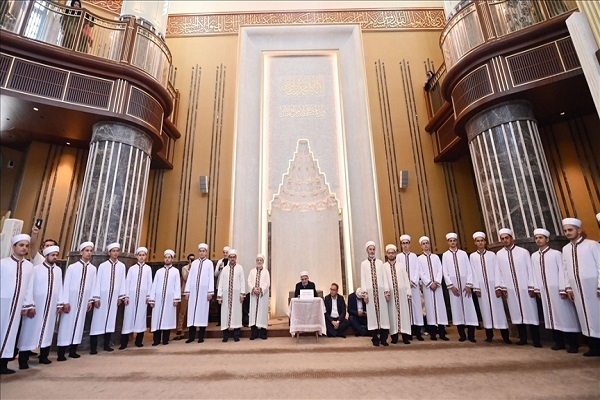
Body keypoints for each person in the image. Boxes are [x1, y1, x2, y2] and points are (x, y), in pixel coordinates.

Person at [531, 228, 580, 353]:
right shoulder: (534, 256)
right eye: (536, 238)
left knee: (565, 316)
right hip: (545, 291)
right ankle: (559, 342)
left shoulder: (556, 254)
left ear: (547, 239)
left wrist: (563, 288)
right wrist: (537, 288)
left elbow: (563, 272)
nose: (538, 240)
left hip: (558, 291)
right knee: (551, 316)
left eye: (541, 238)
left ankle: (573, 343)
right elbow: (534, 273)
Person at [17, 245, 63, 369]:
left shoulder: (58, 270)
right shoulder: (35, 269)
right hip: (36, 306)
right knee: (29, 331)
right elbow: (29, 287)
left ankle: (44, 356)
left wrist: (60, 303)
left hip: (51, 307)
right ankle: (23, 359)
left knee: (47, 330)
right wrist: (29, 304)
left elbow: (60, 288)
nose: (55, 257)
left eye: (56, 255)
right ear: (46, 255)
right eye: (52, 255)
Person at [495, 228, 541, 347]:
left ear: (511, 238)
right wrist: (502, 286)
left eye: (507, 238)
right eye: (502, 239)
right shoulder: (499, 254)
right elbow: (498, 272)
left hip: (525, 287)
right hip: (510, 289)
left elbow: (530, 269)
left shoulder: (523, 252)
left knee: (531, 313)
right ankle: (523, 338)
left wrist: (532, 286)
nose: (505, 240)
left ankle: (536, 340)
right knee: (517, 313)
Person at [561, 218, 600, 357]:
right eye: (565, 231)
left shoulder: (592, 245)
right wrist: (568, 287)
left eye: (570, 230)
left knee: (596, 315)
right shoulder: (565, 249)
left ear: (578, 230)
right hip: (577, 289)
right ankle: (593, 346)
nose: (567, 233)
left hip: (592, 287)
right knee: (584, 316)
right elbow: (565, 270)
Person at [56, 241, 96, 361]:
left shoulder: (93, 269)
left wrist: (90, 300)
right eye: (86, 250)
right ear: (81, 252)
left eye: (90, 251)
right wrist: (65, 301)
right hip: (71, 299)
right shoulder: (72, 267)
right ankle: (61, 352)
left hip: (84, 300)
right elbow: (66, 284)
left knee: (79, 324)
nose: (88, 253)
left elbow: (92, 285)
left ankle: (73, 350)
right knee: (66, 324)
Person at [0, 234, 34, 375]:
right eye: (21, 245)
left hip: (18, 306)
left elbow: (29, 287)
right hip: (3, 303)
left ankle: (3, 364)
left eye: (26, 246)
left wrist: (27, 305)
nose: (24, 248)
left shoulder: (29, 266)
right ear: (14, 246)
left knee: (11, 334)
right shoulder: (3, 263)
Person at [469, 232, 511, 344]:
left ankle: (505, 336)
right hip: (481, 288)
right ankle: (489, 335)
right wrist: (476, 288)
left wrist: (498, 286)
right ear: (475, 243)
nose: (480, 243)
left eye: (482, 240)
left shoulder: (492, 255)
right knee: (485, 311)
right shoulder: (472, 257)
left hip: (493, 286)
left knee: (499, 311)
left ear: (485, 242)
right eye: (478, 241)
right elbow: (472, 272)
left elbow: (498, 270)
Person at [89, 242, 127, 354]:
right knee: (97, 321)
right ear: (109, 253)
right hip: (102, 297)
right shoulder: (103, 266)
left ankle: (106, 345)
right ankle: (93, 347)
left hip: (114, 297)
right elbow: (97, 282)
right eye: (113, 251)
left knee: (110, 321)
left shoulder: (122, 266)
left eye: (117, 251)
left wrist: (121, 296)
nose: (115, 253)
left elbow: (122, 282)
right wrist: (96, 297)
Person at [442, 233, 479, 342]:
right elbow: (445, 272)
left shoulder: (463, 254)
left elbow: (469, 270)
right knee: (457, 310)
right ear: (448, 242)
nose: (452, 242)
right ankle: (462, 335)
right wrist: (451, 286)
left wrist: (468, 285)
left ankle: (471, 335)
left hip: (464, 285)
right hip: (454, 287)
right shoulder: (445, 255)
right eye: (450, 241)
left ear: (456, 241)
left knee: (469, 310)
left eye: (454, 240)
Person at [120, 247, 153, 349]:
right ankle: (124, 343)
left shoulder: (148, 269)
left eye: (143, 255)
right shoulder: (132, 269)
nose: (141, 257)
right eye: (140, 255)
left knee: (141, 318)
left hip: (142, 297)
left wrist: (148, 295)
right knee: (128, 318)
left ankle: (139, 341)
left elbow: (149, 283)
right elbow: (127, 282)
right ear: (137, 256)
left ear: (146, 256)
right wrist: (126, 296)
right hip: (131, 296)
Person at [418, 236, 449, 341]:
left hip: (437, 287)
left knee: (440, 309)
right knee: (430, 310)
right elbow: (420, 272)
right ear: (421, 246)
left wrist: (436, 282)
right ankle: (432, 334)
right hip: (428, 288)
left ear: (429, 244)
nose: (426, 245)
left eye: (427, 243)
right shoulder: (419, 259)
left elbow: (440, 270)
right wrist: (429, 283)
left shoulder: (436, 257)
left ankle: (442, 333)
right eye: (423, 243)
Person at [360, 241, 391, 346]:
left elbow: (384, 277)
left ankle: (384, 338)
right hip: (370, 293)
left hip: (381, 293)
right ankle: (374, 338)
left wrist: (386, 291)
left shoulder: (380, 263)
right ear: (367, 251)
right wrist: (365, 294)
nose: (372, 251)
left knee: (384, 316)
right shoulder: (363, 264)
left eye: (373, 249)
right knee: (372, 316)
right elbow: (363, 279)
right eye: (370, 249)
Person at [149, 249, 181, 346]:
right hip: (158, 299)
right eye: (166, 257)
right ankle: (156, 340)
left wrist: (176, 298)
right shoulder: (159, 271)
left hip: (169, 299)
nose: (167, 259)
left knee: (167, 318)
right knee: (157, 318)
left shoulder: (175, 272)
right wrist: (152, 298)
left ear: (172, 259)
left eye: (169, 257)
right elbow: (154, 285)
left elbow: (177, 286)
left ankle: (165, 339)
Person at [184, 244, 214, 343]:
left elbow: (211, 278)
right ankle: (191, 337)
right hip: (193, 292)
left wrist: (210, 291)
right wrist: (187, 291)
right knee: (191, 313)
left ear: (206, 252)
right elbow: (190, 277)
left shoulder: (209, 263)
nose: (202, 252)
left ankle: (201, 337)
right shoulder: (195, 263)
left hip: (203, 293)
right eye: (200, 251)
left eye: (203, 251)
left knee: (202, 313)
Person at [383, 244, 412, 345]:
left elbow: (406, 279)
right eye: (389, 253)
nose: (391, 255)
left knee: (404, 314)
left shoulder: (400, 265)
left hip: (402, 294)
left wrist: (408, 292)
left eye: (392, 253)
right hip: (391, 296)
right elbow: (384, 280)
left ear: (395, 253)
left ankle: (405, 336)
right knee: (392, 315)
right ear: (387, 254)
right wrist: (386, 291)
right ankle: (394, 336)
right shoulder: (384, 266)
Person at [399, 234, 424, 340]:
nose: (405, 245)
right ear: (401, 245)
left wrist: (413, 281)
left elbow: (417, 270)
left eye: (407, 243)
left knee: (417, 308)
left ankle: (418, 332)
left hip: (414, 286)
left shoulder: (414, 256)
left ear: (409, 244)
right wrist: (405, 283)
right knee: (406, 309)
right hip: (404, 287)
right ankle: (408, 333)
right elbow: (398, 271)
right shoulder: (398, 257)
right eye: (403, 243)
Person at [218, 249, 246, 342]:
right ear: (228, 258)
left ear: (236, 258)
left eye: (234, 257)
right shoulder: (225, 269)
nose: (232, 259)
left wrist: (242, 294)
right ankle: (225, 335)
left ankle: (236, 335)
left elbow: (242, 281)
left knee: (236, 314)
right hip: (226, 296)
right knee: (225, 314)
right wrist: (220, 295)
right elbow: (221, 283)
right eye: (231, 257)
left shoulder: (240, 268)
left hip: (236, 295)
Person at [248, 254, 270, 340]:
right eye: (258, 260)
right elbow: (249, 281)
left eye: (261, 260)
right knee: (253, 313)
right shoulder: (252, 271)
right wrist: (253, 289)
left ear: (263, 261)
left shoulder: (266, 272)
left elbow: (267, 283)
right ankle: (254, 333)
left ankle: (263, 333)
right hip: (254, 295)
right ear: (256, 261)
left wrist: (261, 289)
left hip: (262, 296)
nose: (259, 261)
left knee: (262, 313)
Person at [176, 253, 194, 337]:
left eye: (193, 259)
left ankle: (192, 327)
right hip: (185, 292)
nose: (192, 260)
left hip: (194, 292)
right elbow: (186, 278)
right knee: (182, 311)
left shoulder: (197, 267)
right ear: (188, 260)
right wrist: (190, 268)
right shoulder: (184, 268)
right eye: (191, 259)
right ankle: (179, 328)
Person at [214, 246, 229, 326]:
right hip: (220, 285)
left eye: (227, 252)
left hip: (228, 286)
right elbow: (215, 274)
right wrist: (219, 268)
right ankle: (220, 321)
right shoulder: (220, 261)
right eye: (224, 252)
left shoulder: (231, 261)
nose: (225, 254)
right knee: (219, 303)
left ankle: (227, 320)